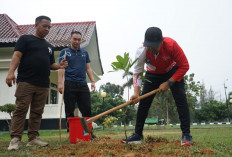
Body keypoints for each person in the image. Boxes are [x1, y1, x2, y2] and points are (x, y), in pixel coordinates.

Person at [120, 27, 193, 146]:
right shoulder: (142, 51)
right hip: (153, 73)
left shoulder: (171, 45)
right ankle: (138, 135)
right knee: (143, 102)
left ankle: (186, 135)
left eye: (155, 45)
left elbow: (184, 65)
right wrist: (136, 93)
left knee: (181, 99)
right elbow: (138, 71)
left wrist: (169, 83)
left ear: (161, 42)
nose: (152, 49)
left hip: (172, 71)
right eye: (149, 45)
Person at [5, 16, 68, 151]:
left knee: (37, 112)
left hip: (43, 84)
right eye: (44, 26)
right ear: (36, 25)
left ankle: (33, 138)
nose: (47, 29)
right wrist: (11, 72)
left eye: (49, 27)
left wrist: (60, 65)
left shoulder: (49, 46)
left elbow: (51, 64)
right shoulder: (25, 39)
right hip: (26, 81)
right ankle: (15, 139)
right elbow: (16, 55)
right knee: (21, 109)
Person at [58, 31, 96, 137]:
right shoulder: (64, 52)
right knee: (69, 109)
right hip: (70, 84)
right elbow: (61, 68)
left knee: (87, 109)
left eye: (79, 39)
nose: (77, 41)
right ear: (70, 39)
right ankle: (72, 132)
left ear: (81, 40)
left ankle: (88, 133)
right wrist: (60, 83)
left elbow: (88, 68)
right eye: (75, 39)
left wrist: (92, 81)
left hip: (83, 84)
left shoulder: (84, 53)